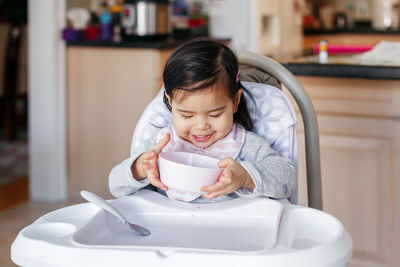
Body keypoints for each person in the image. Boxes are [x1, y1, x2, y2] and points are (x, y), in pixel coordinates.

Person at [109, 38, 296, 202]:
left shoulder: (246, 146)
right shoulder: (161, 145)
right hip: (171, 234)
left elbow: (288, 178)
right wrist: (138, 169)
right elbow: (114, 185)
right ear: (170, 103)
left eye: (215, 114)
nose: (201, 127)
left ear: (235, 102)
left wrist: (246, 177)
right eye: (186, 115)